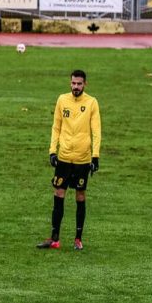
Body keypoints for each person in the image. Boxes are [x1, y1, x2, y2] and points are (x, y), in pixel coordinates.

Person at [37, 70, 101, 251]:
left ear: (85, 84)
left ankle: (78, 239)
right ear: (70, 83)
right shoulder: (62, 100)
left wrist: (95, 156)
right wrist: (52, 151)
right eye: (73, 83)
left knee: (80, 195)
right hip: (64, 157)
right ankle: (54, 238)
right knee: (58, 194)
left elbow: (96, 131)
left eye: (79, 84)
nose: (76, 87)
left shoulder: (91, 103)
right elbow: (56, 127)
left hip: (82, 159)